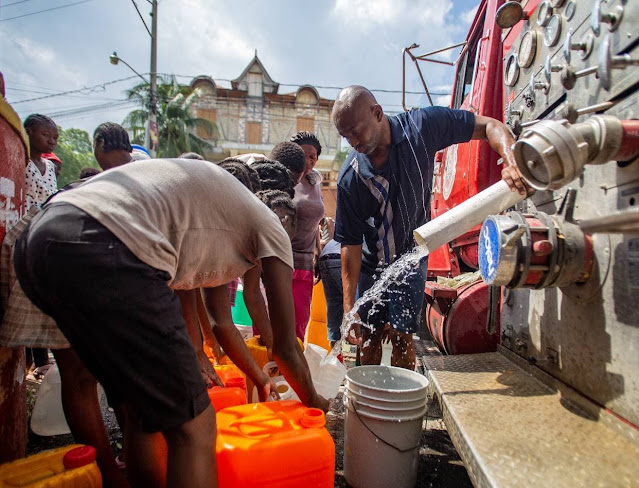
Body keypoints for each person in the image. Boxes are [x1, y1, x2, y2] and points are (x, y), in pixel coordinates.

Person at [14, 158, 328, 488]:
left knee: (142, 409)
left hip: (38, 240)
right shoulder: (272, 227)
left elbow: (204, 310)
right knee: (195, 424)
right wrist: (317, 404)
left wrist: (227, 365)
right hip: (105, 240)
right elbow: (286, 348)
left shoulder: (215, 213)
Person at [332, 85, 527, 370]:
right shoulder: (352, 177)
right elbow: (350, 244)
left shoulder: (422, 128)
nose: (352, 142)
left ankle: (401, 402)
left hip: (412, 258)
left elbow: (490, 126)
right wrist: (350, 309)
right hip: (371, 264)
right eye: (345, 136)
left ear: (377, 113)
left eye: (355, 131)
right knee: (369, 337)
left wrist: (512, 163)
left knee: (402, 337)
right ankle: (367, 404)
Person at [1, 121, 134, 488]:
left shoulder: (122, 184)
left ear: (100, 146)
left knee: (93, 373)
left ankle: (120, 466)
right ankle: (115, 471)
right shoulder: (140, 183)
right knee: (90, 371)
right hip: (58, 251)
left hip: (44, 241)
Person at [270, 140, 323, 340]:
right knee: (273, 324)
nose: (308, 161)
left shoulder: (316, 182)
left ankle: (290, 369)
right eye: (304, 155)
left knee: (299, 324)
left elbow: (316, 220)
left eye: (313, 156)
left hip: (305, 263)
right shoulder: (281, 179)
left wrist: (318, 251)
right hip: (281, 260)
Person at [22, 114, 59, 381]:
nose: (51, 141)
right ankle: (32, 359)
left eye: (55, 137)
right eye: (46, 135)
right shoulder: (20, 160)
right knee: (25, 297)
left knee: (44, 298)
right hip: (23, 231)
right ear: (29, 131)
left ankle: (42, 358)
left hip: (46, 233)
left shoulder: (49, 166)